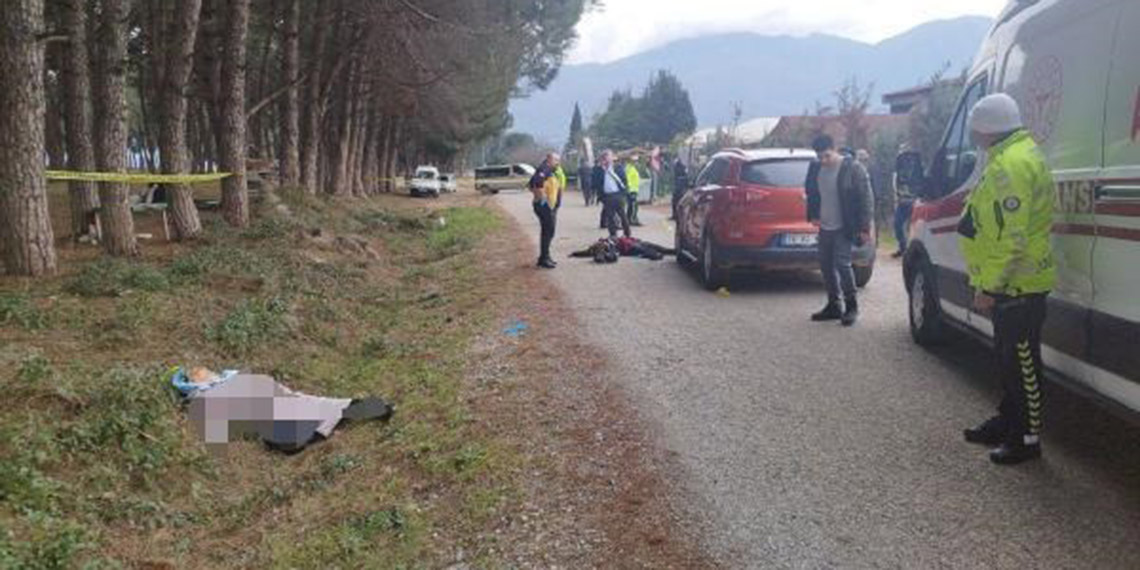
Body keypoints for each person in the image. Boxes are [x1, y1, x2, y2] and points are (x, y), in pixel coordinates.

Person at [959, 93, 1056, 465]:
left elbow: (1011, 239)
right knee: (1007, 358)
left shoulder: (1010, 166)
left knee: (1023, 363)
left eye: (974, 127)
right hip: (1013, 282)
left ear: (985, 128)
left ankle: (1027, 439)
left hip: (1017, 284)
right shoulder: (1011, 156)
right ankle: (1008, 420)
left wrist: (991, 287)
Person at [806, 135, 874, 327]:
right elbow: (811, 191)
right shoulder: (815, 168)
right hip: (825, 226)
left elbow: (866, 199)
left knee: (843, 265)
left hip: (845, 225)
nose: (824, 161)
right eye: (820, 157)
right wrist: (812, 213)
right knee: (826, 266)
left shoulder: (853, 168)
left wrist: (864, 227)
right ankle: (834, 305)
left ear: (835, 149)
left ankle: (851, 306)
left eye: (827, 156)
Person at [529, 153, 563, 269]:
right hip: (545, 207)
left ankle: (545, 257)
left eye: (558, 160)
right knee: (548, 231)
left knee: (548, 231)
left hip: (550, 206)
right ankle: (544, 258)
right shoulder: (544, 169)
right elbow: (535, 184)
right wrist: (542, 200)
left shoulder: (550, 170)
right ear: (549, 159)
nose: (558, 162)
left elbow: (531, 184)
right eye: (556, 160)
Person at [592, 150, 631, 238]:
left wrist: (623, 193)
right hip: (607, 196)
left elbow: (624, 181)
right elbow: (595, 183)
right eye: (604, 157)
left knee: (622, 215)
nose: (606, 159)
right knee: (610, 216)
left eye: (608, 157)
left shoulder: (617, 168)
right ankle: (613, 234)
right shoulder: (599, 170)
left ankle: (627, 233)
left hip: (618, 195)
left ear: (612, 158)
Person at [891, 155, 916, 258]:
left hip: (914, 203)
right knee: (897, 225)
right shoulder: (897, 174)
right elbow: (895, 189)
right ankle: (902, 248)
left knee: (913, 227)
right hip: (902, 203)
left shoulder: (917, 172)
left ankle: (912, 250)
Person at [624, 155, 643, 226]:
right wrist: (629, 189)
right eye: (635, 161)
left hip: (633, 190)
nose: (636, 162)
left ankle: (629, 219)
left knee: (631, 206)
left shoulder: (631, 168)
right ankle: (633, 219)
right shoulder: (630, 169)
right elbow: (628, 180)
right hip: (631, 190)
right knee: (634, 206)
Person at [672, 157, 689, 221]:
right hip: (680, 187)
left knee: (678, 201)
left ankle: (677, 215)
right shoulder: (683, 168)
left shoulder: (681, 168)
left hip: (680, 187)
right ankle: (676, 215)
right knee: (677, 201)